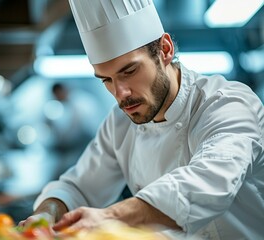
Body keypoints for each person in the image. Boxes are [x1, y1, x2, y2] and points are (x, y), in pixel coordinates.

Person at [19, 0, 264, 239]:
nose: (120, 93)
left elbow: (210, 182)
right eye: (107, 80)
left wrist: (110, 217)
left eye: (129, 71)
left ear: (165, 49)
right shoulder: (120, 124)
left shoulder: (227, 104)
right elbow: (78, 187)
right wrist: (44, 217)